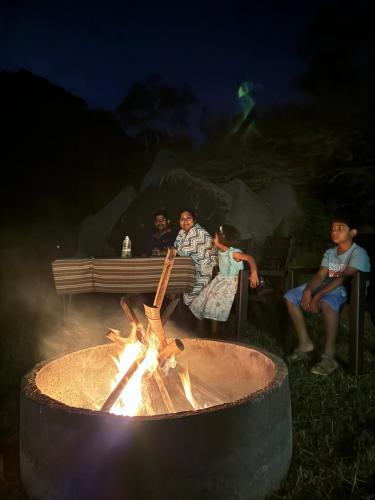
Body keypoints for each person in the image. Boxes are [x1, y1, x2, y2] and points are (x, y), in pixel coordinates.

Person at [284, 214, 370, 376]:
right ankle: (305, 343)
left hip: (350, 288)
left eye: (340, 229)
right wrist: (309, 291)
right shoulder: (330, 252)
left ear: (352, 233)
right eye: (332, 229)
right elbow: (320, 276)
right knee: (290, 296)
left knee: (326, 302)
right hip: (328, 284)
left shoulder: (358, 253)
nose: (334, 232)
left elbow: (343, 277)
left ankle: (329, 356)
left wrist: (317, 296)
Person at [189, 224, 259, 323]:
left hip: (231, 282)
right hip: (221, 279)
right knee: (204, 295)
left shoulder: (233, 253)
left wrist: (254, 273)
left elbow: (250, 258)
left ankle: (214, 331)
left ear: (222, 239)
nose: (213, 239)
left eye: (215, 237)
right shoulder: (220, 251)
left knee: (215, 297)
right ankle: (202, 327)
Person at [174, 208, 218, 306]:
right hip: (190, 270)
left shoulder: (199, 233)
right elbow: (177, 249)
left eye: (188, 218)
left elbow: (182, 251)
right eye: (182, 219)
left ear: (194, 220)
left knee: (189, 296)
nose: (185, 221)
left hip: (204, 271)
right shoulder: (181, 233)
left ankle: (191, 315)